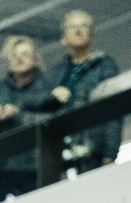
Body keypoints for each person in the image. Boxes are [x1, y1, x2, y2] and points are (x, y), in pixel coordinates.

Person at [0, 35, 56, 201]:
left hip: (33, 166)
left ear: (35, 59)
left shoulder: (47, 85)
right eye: (14, 55)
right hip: (0, 167)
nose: (19, 59)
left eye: (25, 54)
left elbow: (52, 120)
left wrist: (17, 115)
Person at [50, 11, 122, 170]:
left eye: (84, 26)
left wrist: (110, 151)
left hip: (94, 149)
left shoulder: (105, 66)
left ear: (91, 33)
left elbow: (113, 108)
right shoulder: (55, 73)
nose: (78, 31)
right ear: (64, 37)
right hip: (62, 151)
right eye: (73, 27)